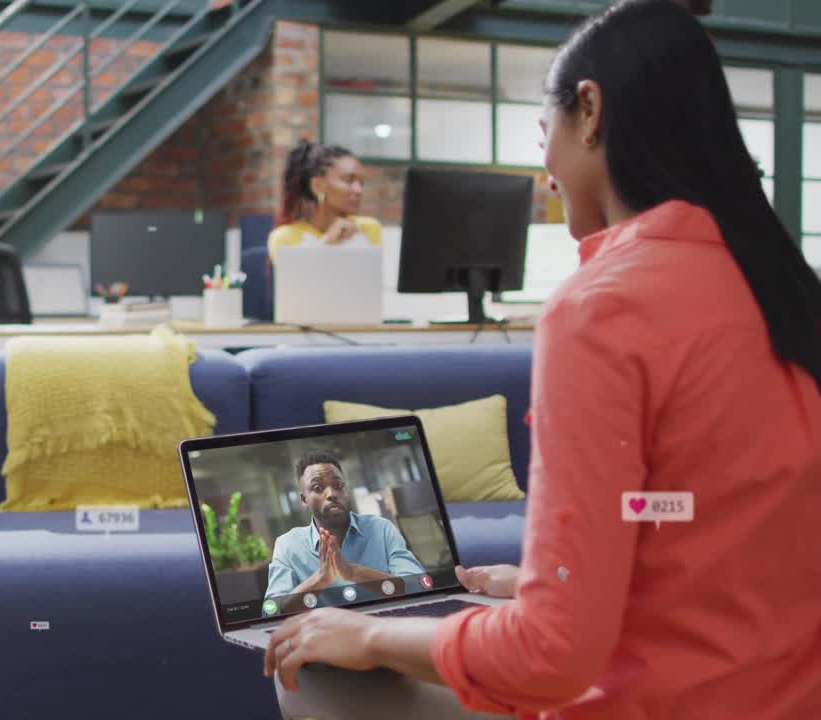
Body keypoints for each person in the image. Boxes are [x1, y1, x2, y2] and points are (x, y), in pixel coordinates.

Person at [264, 1, 821, 719]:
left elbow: (550, 655)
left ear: (588, 111)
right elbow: (702, 504)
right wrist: (556, 577)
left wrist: (370, 634)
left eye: (543, 134)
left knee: (310, 675)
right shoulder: (785, 293)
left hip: (653, 701)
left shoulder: (601, 309)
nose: (547, 170)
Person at [263, 451, 425, 614]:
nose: (332, 494)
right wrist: (320, 580)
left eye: (338, 485)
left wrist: (353, 573)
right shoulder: (288, 544)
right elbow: (271, 610)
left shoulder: (381, 529)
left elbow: (419, 585)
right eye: (318, 488)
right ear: (304, 499)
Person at [267, 139, 382, 264]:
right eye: (349, 180)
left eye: (361, 183)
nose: (359, 190)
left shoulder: (369, 228)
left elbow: (369, 280)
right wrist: (327, 243)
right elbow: (300, 282)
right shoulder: (285, 237)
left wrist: (360, 241)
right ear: (318, 186)